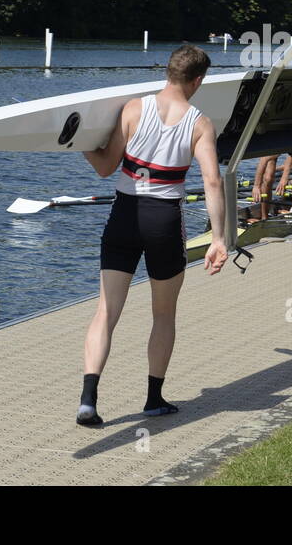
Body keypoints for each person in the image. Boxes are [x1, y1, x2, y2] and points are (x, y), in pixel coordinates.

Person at [76, 44, 228, 427]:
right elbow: (212, 180)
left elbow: (105, 168)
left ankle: (88, 401)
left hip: (124, 215)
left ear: (168, 72)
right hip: (163, 221)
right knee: (163, 313)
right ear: (197, 80)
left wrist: (78, 144)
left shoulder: (133, 109)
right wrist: (219, 238)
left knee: (106, 312)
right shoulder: (200, 123)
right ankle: (153, 399)